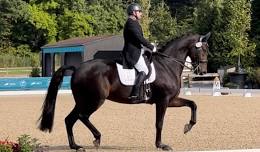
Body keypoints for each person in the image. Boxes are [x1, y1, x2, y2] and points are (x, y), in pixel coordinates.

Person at [122, 3, 156, 102]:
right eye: (139, 11)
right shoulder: (131, 23)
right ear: (133, 12)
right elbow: (139, 38)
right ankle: (134, 94)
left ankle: (146, 90)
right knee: (144, 70)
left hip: (137, 50)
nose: (141, 13)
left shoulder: (134, 22)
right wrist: (150, 46)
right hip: (132, 53)